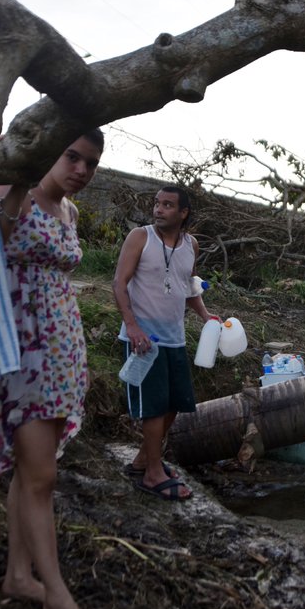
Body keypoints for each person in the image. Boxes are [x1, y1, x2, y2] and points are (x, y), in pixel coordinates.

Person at [0, 130, 108, 609]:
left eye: (91, 163)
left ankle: (19, 574)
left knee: (32, 471)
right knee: (42, 478)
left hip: (61, 350)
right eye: (72, 156)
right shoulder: (12, 191)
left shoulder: (70, 213)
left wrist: (78, 362)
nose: (80, 168)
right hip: (18, 350)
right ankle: (58, 600)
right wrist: (19, 177)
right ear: (49, 151)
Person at [113, 185, 218, 501]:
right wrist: (132, 327)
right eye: (157, 204)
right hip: (144, 340)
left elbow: (190, 285)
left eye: (168, 205)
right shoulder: (140, 238)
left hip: (174, 339)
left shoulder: (191, 245)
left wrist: (206, 315)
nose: (159, 209)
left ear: (183, 212)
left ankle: (144, 461)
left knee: (175, 403)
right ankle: (153, 473)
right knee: (154, 407)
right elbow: (119, 283)